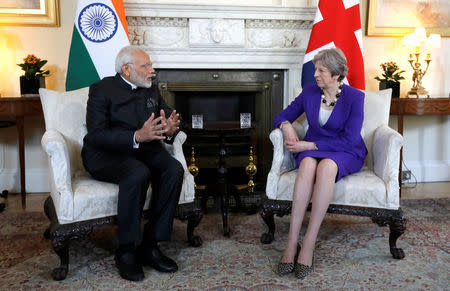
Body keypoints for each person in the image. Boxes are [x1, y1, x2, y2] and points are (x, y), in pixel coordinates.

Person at [82, 45, 183, 281]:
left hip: (144, 150)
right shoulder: (101, 89)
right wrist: (136, 136)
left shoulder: (151, 90)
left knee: (173, 169)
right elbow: (95, 135)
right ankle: (126, 250)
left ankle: (151, 244)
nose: (152, 70)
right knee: (138, 172)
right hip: (106, 155)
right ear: (126, 69)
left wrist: (170, 129)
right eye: (146, 66)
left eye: (151, 65)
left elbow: (169, 118)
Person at [274, 48, 367, 279]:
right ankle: (291, 242)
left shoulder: (355, 98)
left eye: (321, 70)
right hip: (313, 149)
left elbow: (349, 139)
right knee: (306, 165)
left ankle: (309, 243)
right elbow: (282, 115)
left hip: (345, 151)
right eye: (315, 69)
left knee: (326, 167)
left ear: (336, 75)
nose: (315, 74)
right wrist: (286, 125)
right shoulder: (309, 92)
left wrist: (309, 146)